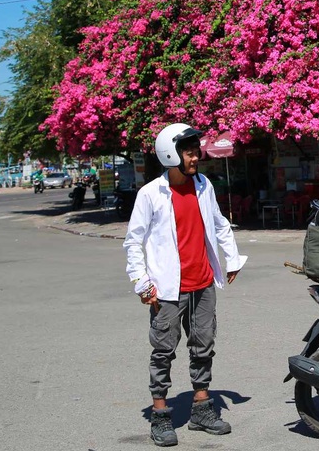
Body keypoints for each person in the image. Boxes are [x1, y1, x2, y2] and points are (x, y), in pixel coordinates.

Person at [124, 123, 246, 447]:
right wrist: (141, 282)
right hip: (166, 289)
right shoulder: (150, 194)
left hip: (203, 283)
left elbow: (219, 224)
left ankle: (202, 410)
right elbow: (133, 243)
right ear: (171, 154)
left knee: (203, 346)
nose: (196, 157)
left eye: (195, 150)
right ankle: (160, 416)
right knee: (163, 351)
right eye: (189, 152)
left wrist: (231, 259)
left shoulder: (204, 185)